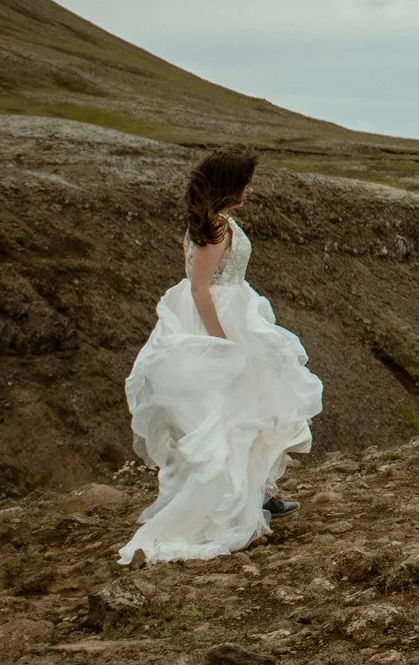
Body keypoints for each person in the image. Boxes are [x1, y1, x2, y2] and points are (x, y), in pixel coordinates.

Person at [119, 148, 324, 564]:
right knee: (233, 412)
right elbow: (200, 287)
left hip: (235, 312)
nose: (250, 188)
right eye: (246, 181)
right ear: (230, 183)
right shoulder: (214, 227)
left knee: (250, 407)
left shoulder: (217, 222)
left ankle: (260, 493)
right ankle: (237, 502)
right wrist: (221, 341)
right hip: (220, 319)